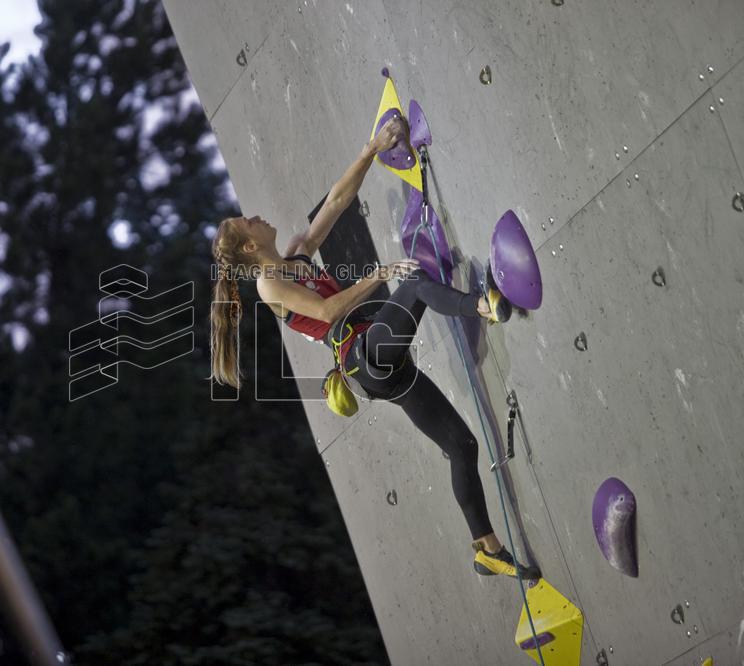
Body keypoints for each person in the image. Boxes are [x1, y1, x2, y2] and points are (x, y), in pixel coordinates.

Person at [208, 117, 539, 580]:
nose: (258, 217)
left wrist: (371, 149)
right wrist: (379, 276)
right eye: (249, 222)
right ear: (249, 245)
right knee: (415, 285)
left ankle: (486, 549)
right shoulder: (269, 283)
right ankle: (483, 305)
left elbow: (337, 201)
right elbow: (326, 313)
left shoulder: (296, 255)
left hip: (378, 360)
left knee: (461, 446)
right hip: (361, 356)